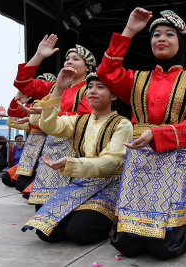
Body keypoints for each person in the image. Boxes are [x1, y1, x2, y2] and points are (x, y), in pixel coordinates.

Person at [97, 8, 186, 259]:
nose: (161, 38)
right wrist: (129, 31)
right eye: (156, 34)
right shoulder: (137, 79)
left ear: (181, 42)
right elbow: (107, 73)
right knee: (127, 245)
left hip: (174, 157)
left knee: (163, 248)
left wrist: (159, 135)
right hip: (139, 158)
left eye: (170, 34)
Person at [22, 70, 132, 245]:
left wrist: (72, 164)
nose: (92, 91)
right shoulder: (79, 120)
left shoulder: (122, 124)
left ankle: (110, 221)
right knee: (46, 233)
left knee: (80, 233)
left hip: (108, 185)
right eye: (89, 87)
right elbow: (49, 125)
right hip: (80, 184)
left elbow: (110, 162)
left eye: (100, 87)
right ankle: (80, 215)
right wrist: (58, 88)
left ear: (113, 96)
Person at [13, 34, 94, 205]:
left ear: (87, 67)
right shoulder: (54, 88)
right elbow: (23, 84)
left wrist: (47, 112)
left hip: (75, 151)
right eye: (67, 59)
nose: (69, 61)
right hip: (51, 151)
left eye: (76, 59)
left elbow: (83, 119)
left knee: (64, 207)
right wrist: (38, 56)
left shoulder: (91, 89)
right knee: (41, 206)